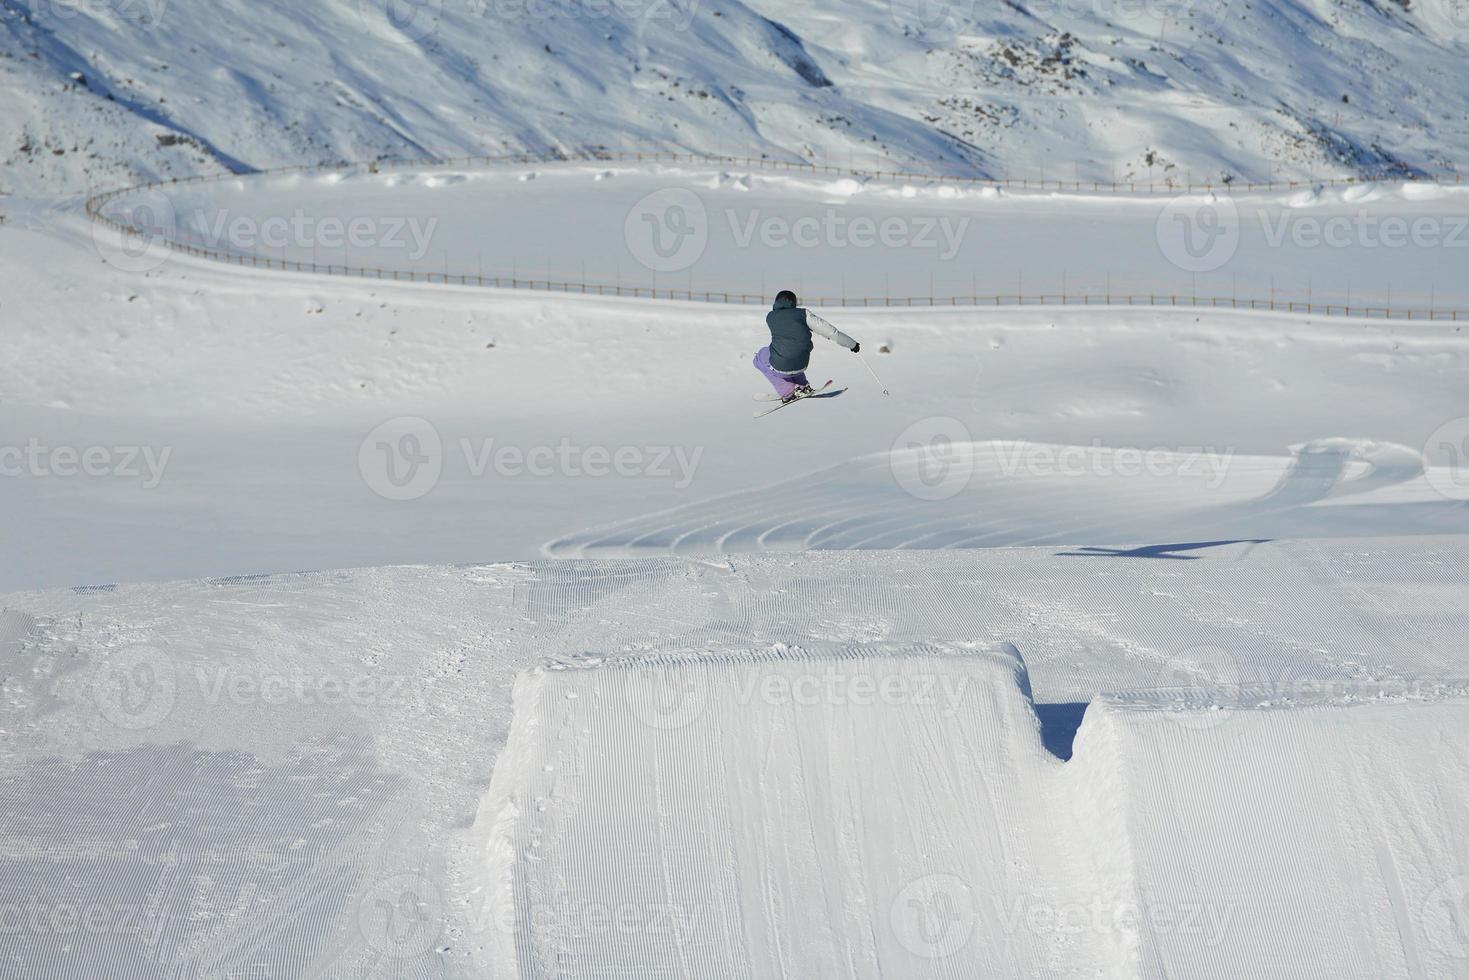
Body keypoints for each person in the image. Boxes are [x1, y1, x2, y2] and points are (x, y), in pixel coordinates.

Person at [754, 290, 861, 402]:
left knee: (758, 359)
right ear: (793, 302)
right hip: (802, 364)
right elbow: (831, 333)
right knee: (790, 352)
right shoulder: (803, 314)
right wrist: (852, 344)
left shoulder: (770, 317)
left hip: (782, 365)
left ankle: (788, 391)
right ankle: (803, 386)